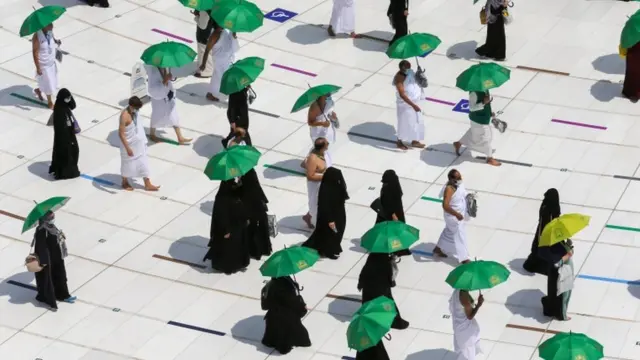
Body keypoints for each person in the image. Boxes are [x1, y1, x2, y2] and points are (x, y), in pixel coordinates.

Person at [204, 178, 251, 274]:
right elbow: (222, 216)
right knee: (229, 249)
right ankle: (228, 267)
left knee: (237, 246)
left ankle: (238, 264)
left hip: (237, 225)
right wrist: (226, 230)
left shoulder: (232, 192)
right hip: (229, 228)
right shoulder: (222, 198)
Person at [302, 167, 349, 259]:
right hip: (329, 218)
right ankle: (329, 251)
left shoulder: (336, 186)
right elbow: (325, 207)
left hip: (338, 215)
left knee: (337, 232)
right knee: (331, 233)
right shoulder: (326, 190)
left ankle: (332, 248)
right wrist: (330, 220)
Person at [33, 211, 76, 310]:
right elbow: (40, 247)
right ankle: (49, 299)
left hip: (57, 256)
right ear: (45, 218)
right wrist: (44, 262)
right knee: (48, 279)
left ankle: (63, 295)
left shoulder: (51, 226)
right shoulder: (42, 230)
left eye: (53, 216)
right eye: (51, 217)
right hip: (48, 259)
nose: (53, 218)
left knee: (61, 276)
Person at [357, 253, 409, 329]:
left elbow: (365, 270)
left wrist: (361, 283)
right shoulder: (386, 261)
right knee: (387, 303)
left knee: (368, 303)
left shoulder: (373, 256)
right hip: (381, 287)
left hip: (368, 285)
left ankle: (366, 319)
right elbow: (390, 275)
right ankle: (395, 322)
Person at [261, 276, 311, 354]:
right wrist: (302, 306)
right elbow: (292, 301)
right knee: (296, 333)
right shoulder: (285, 286)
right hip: (287, 316)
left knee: (274, 333)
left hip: (273, 316)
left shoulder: (269, 286)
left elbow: (265, 306)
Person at [118, 96, 159, 191]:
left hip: (139, 144)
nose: (137, 110)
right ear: (131, 106)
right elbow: (121, 133)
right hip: (128, 144)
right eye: (136, 108)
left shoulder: (135, 111)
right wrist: (127, 148)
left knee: (143, 162)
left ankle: (147, 183)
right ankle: (124, 181)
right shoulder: (124, 116)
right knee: (127, 164)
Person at [145, 66, 192, 145]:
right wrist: (165, 80)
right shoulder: (153, 71)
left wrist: (170, 78)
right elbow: (153, 87)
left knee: (173, 115)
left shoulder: (165, 67)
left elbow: (167, 80)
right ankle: (152, 134)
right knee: (156, 115)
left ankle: (180, 137)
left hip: (168, 95)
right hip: (158, 98)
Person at [453, 91, 501, 166]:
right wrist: (483, 102)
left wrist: (489, 112)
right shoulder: (474, 93)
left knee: (472, 133)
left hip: (482, 118)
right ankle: (489, 158)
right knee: (486, 139)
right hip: (478, 120)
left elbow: (486, 103)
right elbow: (472, 108)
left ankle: (458, 143)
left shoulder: (485, 89)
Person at [433, 169, 470, 263]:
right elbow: (445, 206)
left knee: (449, 231)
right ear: (451, 179)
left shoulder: (459, 184)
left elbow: (463, 193)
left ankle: (438, 248)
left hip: (459, 213)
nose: (460, 179)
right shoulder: (449, 189)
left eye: (460, 177)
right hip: (453, 216)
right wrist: (456, 214)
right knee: (459, 235)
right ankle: (464, 258)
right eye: (458, 178)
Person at [523, 189, 560, 275]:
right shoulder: (553, 206)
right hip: (546, 231)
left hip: (545, 231)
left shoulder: (546, 205)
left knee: (540, 249)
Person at [374, 170, 410, 257]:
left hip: (389, 213)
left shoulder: (387, 188)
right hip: (395, 212)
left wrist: (393, 214)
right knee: (395, 231)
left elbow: (388, 203)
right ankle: (397, 248)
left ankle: (389, 248)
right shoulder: (395, 186)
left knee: (388, 231)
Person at [201, 26, 239, 102]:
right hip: (219, 60)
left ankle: (215, 92)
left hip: (227, 58)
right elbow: (207, 50)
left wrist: (234, 36)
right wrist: (203, 64)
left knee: (221, 76)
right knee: (218, 76)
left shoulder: (227, 31)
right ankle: (212, 94)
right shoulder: (215, 35)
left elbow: (233, 44)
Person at [241, 168, 272, 260]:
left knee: (254, 228)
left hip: (252, 206)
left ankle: (255, 250)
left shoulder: (248, 173)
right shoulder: (250, 171)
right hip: (256, 205)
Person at [393, 60, 425, 150]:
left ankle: (415, 140)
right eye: (407, 67)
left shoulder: (410, 72)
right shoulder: (399, 78)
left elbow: (416, 80)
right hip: (406, 104)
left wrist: (420, 73)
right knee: (404, 123)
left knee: (417, 122)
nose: (409, 69)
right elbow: (402, 95)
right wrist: (413, 105)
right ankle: (399, 141)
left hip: (416, 101)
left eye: (410, 67)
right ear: (402, 68)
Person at [49, 88, 80, 180]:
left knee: (74, 151)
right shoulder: (58, 110)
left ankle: (71, 169)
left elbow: (73, 105)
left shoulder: (65, 105)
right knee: (65, 154)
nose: (68, 99)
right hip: (63, 137)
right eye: (66, 98)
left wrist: (70, 98)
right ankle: (64, 173)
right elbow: (60, 128)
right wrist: (67, 140)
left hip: (69, 133)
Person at [539, 239, 574, 321]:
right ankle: (562, 315)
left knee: (559, 293)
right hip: (562, 273)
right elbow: (556, 263)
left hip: (564, 271)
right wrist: (568, 255)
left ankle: (552, 308)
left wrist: (568, 246)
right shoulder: (552, 246)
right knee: (564, 295)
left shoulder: (558, 242)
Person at [302, 137, 332, 229]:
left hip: (324, 184)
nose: (328, 144)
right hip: (316, 186)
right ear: (323, 147)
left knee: (325, 204)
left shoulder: (322, 153)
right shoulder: (313, 158)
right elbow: (310, 176)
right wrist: (325, 176)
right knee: (316, 205)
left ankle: (308, 217)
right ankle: (318, 226)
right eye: (327, 143)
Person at [32, 23, 60, 109]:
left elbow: (52, 40)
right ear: (43, 26)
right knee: (49, 84)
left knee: (52, 81)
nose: (52, 26)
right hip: (43, 64)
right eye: (49, 24)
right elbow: (35, 53)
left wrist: (56, 41)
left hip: (51, 62)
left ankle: (39, 90)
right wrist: (38, 67)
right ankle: (50, 102)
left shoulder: (50, 32)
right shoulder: (37, 36)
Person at [450, 289, 484, 359]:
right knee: (468, 352)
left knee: (463, 351)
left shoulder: (457, 291)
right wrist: (479, 304)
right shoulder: (464, 297)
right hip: (465, 330)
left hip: (458, 326)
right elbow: (470, 316)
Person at [194, 10, 215, 78]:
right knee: (209, 53)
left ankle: (206, 72)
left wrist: (196, 17)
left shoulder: (204, 10)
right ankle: (209, 69)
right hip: (212, 32)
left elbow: (203, 26)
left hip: (204, 35)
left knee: (203, 52)